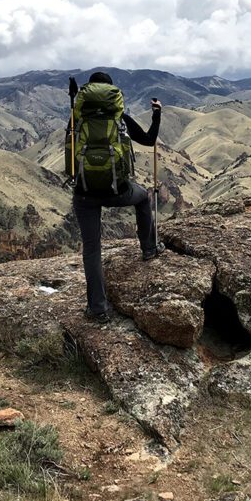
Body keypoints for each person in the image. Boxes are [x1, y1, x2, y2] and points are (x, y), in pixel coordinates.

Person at [71, 71, 164, 324]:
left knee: (92, 250)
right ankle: (149, 248)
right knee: (143, 197)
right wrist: (157, 114)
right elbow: (148, 139)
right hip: (117, 190)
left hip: (84, 193)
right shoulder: (119, 118)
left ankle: (98, 309)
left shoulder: (77, 119)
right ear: (112, 95)